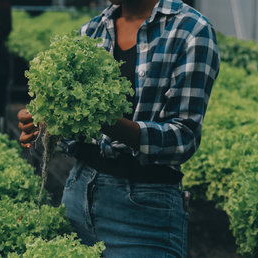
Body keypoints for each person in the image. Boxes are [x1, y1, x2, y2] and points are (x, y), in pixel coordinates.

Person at [18, 0, 220, 257]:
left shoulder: (191, 30)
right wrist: (47, 121)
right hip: (78, 192)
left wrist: (104, 120)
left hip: (143, 212)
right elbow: (78, 135)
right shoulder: (92, 30)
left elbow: (183, 138)